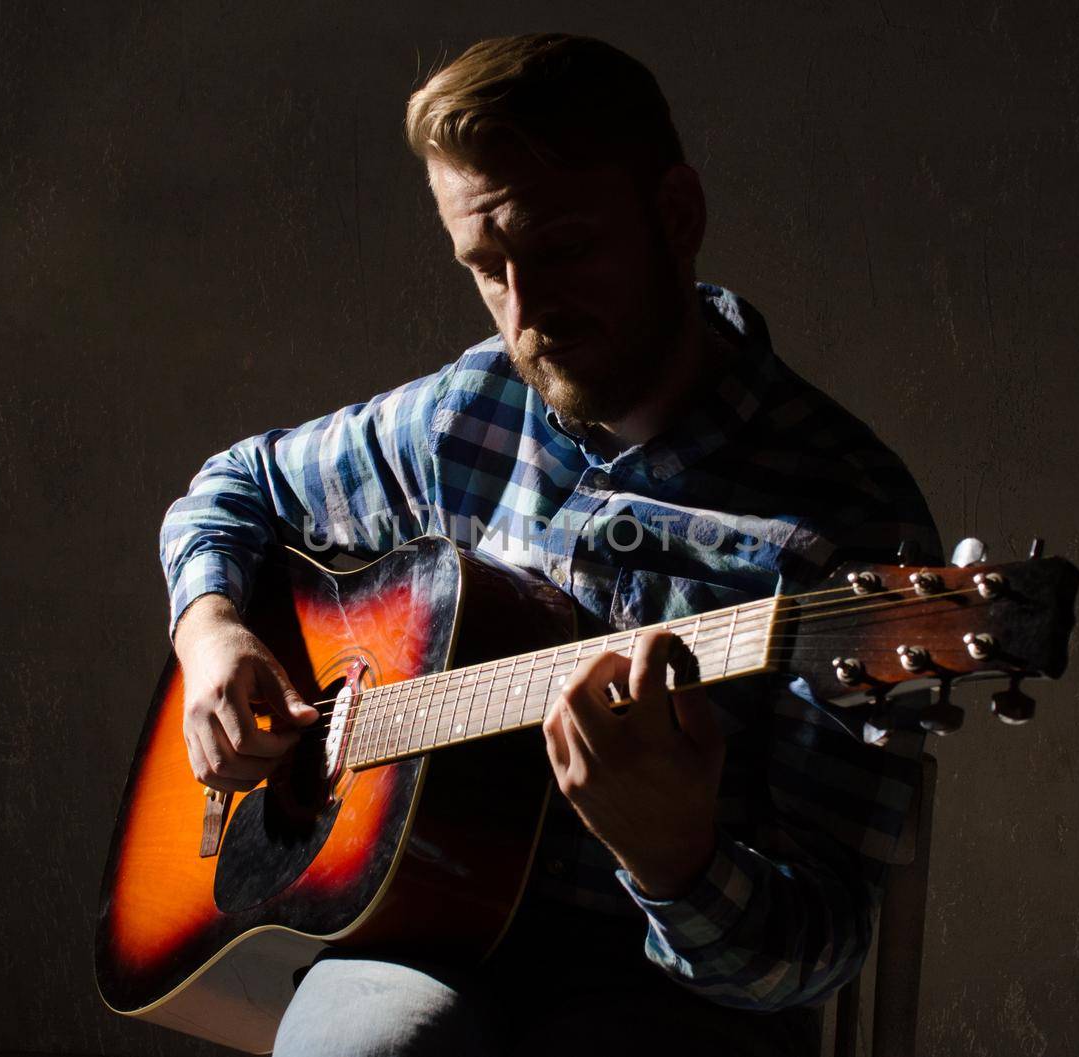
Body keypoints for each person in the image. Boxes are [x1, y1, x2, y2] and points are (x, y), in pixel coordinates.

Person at [159, 33, 940, 1057]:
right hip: (419, 933)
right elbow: (230, 490)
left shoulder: (847, 522)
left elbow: (820, 945)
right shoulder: (469, 411)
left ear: (675, 216)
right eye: (487, 269)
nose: (525, 315)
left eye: (561, 250)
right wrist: (212, 631)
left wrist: (677, 861)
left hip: (676, 988)